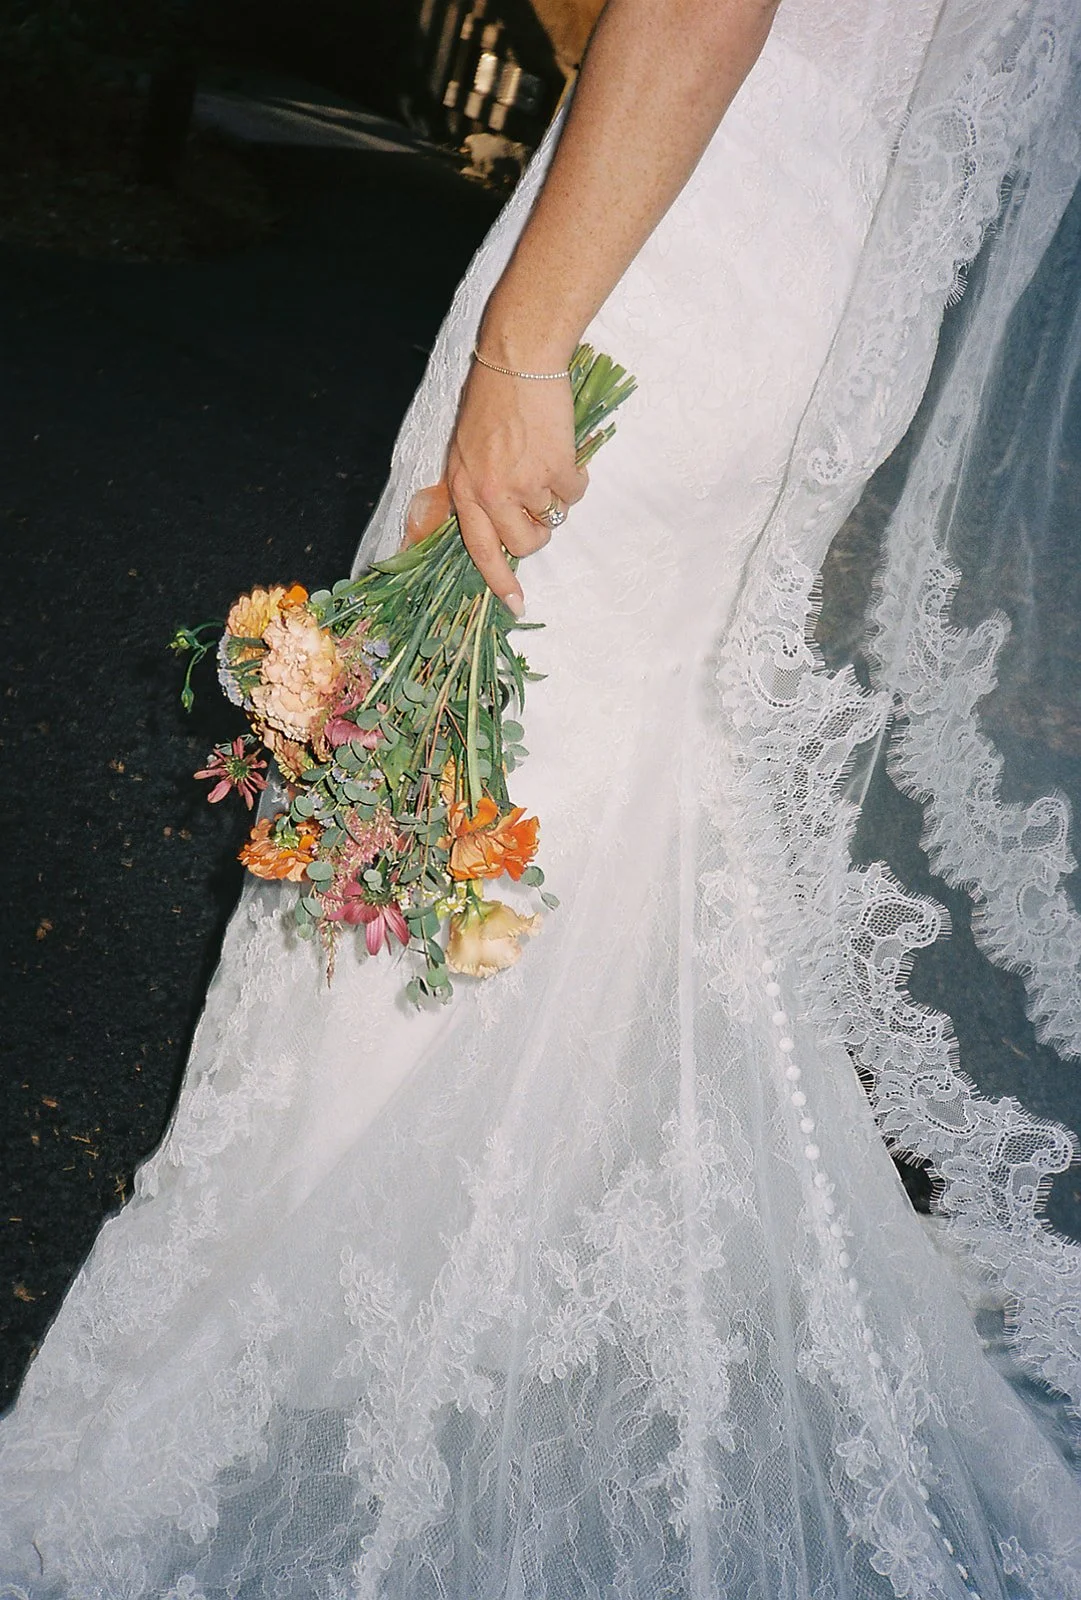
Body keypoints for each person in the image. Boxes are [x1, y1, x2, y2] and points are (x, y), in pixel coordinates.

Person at [2, 0, 1081, 1595]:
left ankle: (302, 1312)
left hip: (666, 233)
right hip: (817, 250)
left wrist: (525, 337)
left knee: (453, 759)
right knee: (580, 776)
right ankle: (454, 1264)